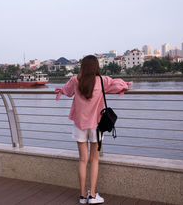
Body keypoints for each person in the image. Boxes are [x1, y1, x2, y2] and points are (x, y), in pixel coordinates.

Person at [55, 55, 132, 204]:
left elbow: (67, 91)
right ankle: (93, 195)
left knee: (83, 160)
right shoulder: (102, 81)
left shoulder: (75, 80)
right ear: (96, 67)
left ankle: (83, 195)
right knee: (94, 159)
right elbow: (119, 85)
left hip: (79, 125)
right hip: (97, 126)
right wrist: (126, 85)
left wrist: (60, 91)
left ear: (82, 67)